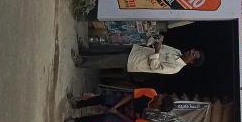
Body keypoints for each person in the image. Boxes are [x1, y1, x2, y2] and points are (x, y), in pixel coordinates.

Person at [74, 39, 205, 75]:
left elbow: (155, 67)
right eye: (194, 50)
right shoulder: (177, 51)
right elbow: (159, 46)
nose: (191, 51)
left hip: (135, 61)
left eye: (193, 54)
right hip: (138, 50)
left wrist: (157, 51)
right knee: (109, 49)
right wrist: (156, 41)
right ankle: (85, 50)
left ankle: (81, 62)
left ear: (192, 62)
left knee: (106, 61)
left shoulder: (175, 68)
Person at [66, 88, 174, 122]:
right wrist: (115, 107)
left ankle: (76, 121)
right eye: (162, 95)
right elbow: (130, 96)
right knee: (105, 98)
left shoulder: (149, 119)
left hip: (124, 117)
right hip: (124, 102)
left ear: (160, 106)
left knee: (104, 119)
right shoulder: (151, 92)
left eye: (161, 98)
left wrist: (116, 112)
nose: (159, 95)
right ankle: (77, 104)